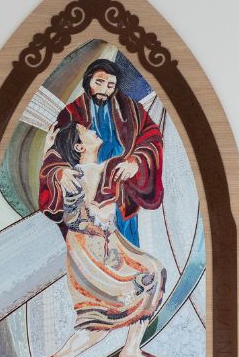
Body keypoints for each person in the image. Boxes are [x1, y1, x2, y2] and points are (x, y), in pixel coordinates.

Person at [28, 119, 165, 357]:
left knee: (108, 316)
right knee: (103, 318)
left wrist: (135, 164)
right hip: (91, 253)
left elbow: (126, 168)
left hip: (108, 246)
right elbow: (55, 199)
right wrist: (51, 155)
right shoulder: (72, 174)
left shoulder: (102, 168)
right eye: (86, 132)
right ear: (80, 146)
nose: (93, 130)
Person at [37, 59, 163, 246]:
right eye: (99, 82)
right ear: (88, 81)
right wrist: (59, 172)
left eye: (110, 85)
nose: (104, 90)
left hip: (122, 186)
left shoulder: (132, 109)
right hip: (88, 186)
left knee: (125, 244)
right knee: (93, 241)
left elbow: (153, 138)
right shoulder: (71, 113)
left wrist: (136, 161)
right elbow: (56, 149)